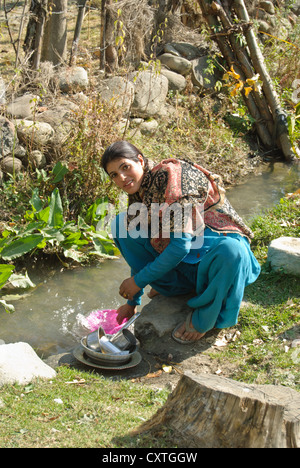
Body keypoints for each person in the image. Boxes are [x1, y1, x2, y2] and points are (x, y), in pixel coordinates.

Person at [101, 140, 261, 344]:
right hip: (188, 261)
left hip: (216, 259)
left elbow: (179, 246)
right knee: (121, 225)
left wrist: (138, 281)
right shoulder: (142, 190)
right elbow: (148, 241)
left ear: (140, 161)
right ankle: (174, 285)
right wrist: (133, 301)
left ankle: (206, 317)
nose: (122, 178)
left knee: (232, 250)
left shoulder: (171, 180)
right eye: (114, 174)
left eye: (125, 167)